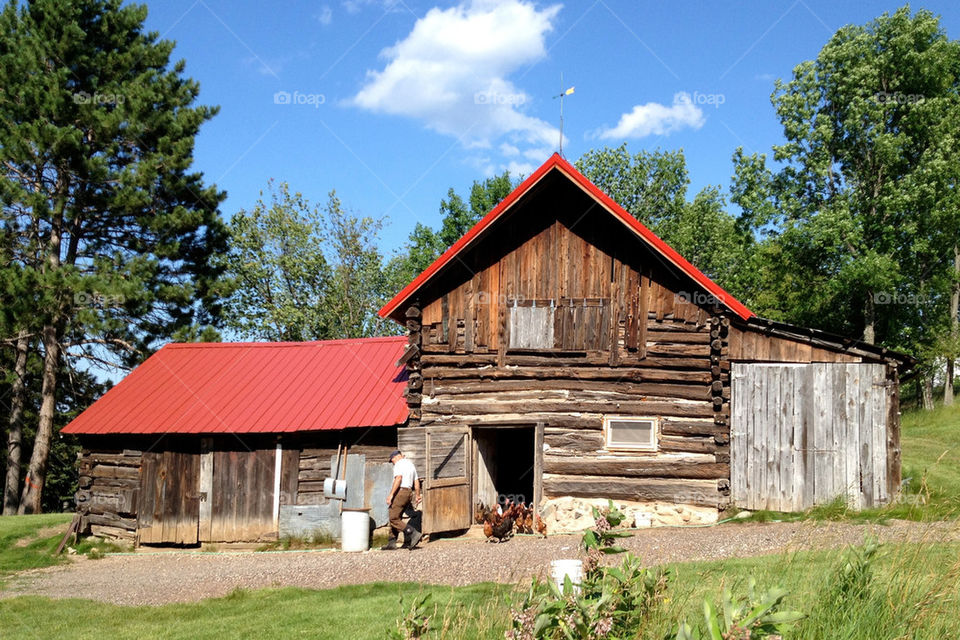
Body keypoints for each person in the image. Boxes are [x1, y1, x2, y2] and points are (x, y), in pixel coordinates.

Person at [382, 450, 422, 550]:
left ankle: (412, 533)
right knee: (396, 515)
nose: (393, 463)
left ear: (395, 457)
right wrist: (417, 495)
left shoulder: (399, 464)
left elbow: (398, 479)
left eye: (392, 461)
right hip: (409, 492)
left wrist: (391, 495)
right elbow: (416, 482)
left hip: (401, 492)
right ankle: (392, 542)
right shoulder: (410, 465)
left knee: (393, 518)